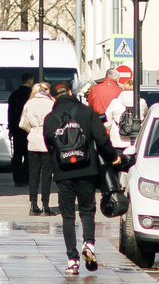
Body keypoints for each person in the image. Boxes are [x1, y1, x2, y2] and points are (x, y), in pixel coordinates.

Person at [42, 76, 117, 273]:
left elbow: (49, 145)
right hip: (87, 169)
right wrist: (113, 157)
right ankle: (89, 244)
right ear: (70, 92)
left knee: (68, 216)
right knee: (87, 210)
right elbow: (101, 139)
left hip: (63, 172)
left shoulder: (50, 119)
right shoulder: (86, 112)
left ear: (53, 97)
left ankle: (72, 260)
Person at [19, 76, 58, 216]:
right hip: (47, 141)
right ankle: (46, 205)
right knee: (46, 176)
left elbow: (23, 122)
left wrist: (32, 130)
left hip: (33, 140)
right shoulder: (52, 103)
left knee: (33, 175)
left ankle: (33, 205)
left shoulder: (29, 103)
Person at [6, 71, 35, 197]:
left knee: (17, 155)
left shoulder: (14, 95)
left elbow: (10, 114)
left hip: (17, 129)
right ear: (30, 81)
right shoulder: (32, 96)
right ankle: (26, 178)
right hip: (29, 129)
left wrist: (11, 129)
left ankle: (18, 179)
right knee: (28, 155)